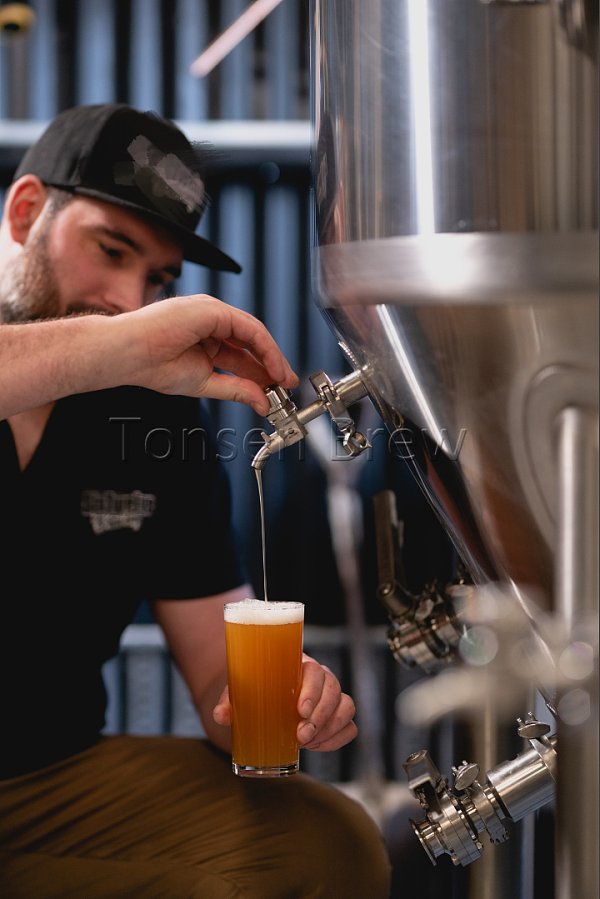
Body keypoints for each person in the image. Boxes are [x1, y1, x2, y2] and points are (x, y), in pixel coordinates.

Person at [0, 103, 392, 898]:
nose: (128, 299)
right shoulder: (126, 352)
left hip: (47, 780)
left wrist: (277, 695)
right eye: (111, 249)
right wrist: (117, 349)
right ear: (26, 211)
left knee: (329, 843)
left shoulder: (150, 414)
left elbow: (218, 673)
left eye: (158, 280)